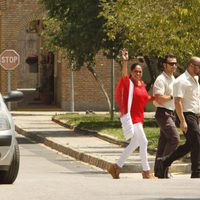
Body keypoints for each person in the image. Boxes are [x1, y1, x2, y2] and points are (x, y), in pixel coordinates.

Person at [107, 48, 155, 179]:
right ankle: (146, 171)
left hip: (140, 117)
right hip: (132, 117)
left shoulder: (142, 84)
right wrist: (125, 61)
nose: (138, 74)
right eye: (136, 72)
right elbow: (123, 75)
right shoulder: (129, 83)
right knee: (144, 142)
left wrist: (158, 98)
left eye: (140, 72)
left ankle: (116, 167)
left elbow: (146, 97)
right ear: (132, 73)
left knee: (134, 144)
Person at [157, 56, 200, 178]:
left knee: (191, 144)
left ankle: (164, 161)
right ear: (191, 66)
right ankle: (196, 171)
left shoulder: (195, 79)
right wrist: (182, 121)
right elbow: (178, 101)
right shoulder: (181, 80)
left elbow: (195, 98)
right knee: (197, 141)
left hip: (195, 115)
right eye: (199, 66)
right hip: (186, 115)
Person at [153, 54, 180, 178]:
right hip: (163, 113)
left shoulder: (173, 79)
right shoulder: (161, 79)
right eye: (171, 64)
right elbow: (159, 98)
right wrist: (172, 96)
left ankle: (159, 172)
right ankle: (164, 166)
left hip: (171, 113)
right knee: (175, 139)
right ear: (164, 65)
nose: (174, 66)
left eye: (175, 63)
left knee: (163, 143)